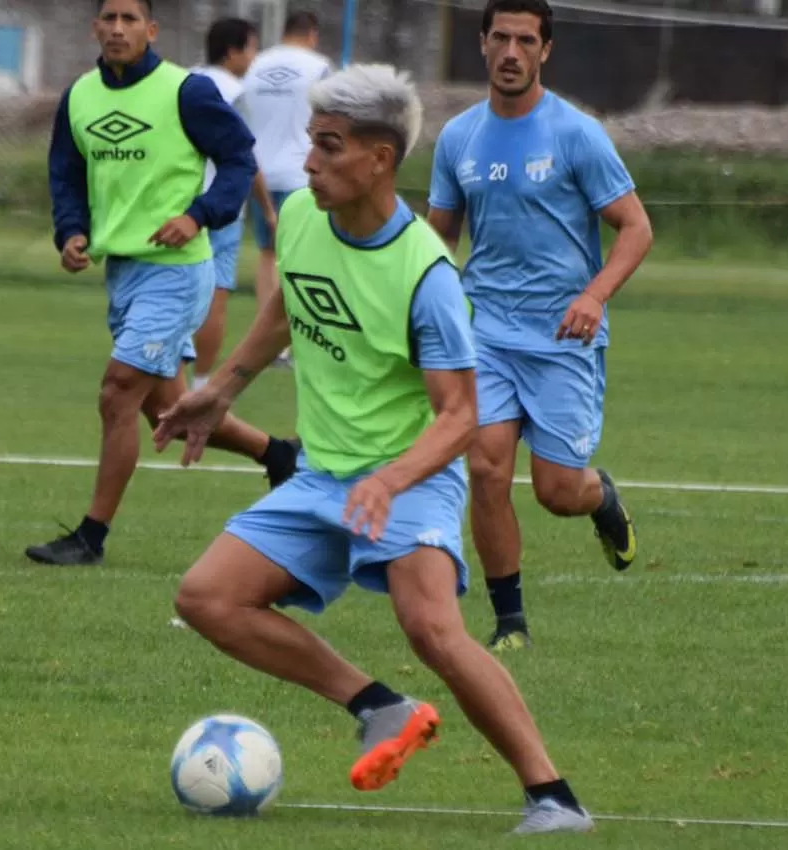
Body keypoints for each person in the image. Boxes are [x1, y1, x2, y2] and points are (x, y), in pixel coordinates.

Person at [158, 63, 594, 836]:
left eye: (328, 147)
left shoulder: (426, 274)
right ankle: (378, 706)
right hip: (324, 474)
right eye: (310, 144)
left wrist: (392, 480)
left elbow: (460, 417)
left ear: (379, 160)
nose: (310, 162)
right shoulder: (299, 218)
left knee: (431, 628)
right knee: (206, 599)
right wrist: (220, 389)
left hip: (412, 477)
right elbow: (291, 307)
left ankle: (553, 795)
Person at [31, 0, 299, 566]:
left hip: (177, 274)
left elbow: (238, 159)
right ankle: (277, 454)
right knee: (167, 414)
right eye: (110, 18)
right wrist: (72, 231)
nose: (119, 28)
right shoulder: (79, 97)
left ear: (151, 30)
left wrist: (198, 215)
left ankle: (90, 537)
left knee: (116, 393)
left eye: (131, 19)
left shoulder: (186, 92)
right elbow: (66, 173)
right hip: (124, 273)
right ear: (95, 28)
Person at [426, 0, 653, 651]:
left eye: (526, 41)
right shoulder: (458, 138)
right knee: (487, 468)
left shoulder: (577, 134)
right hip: (486, 334)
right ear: (482, 43)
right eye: (501, 38)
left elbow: (636, 228)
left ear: (545, 51)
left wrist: (595, 295)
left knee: (557, 491)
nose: (511, 53)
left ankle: (601, 497)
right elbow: (437, 240)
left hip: (562, 339)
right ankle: (510, 624)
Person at [188, 17, 277, 390]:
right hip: (220, 206)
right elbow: (244, 155)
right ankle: (201, 382)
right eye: (252, 49)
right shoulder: (234, 92)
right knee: (215, 294)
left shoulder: (183, 81)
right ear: (233, 51)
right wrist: (267, 208)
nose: (254, 58)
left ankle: (163, 370)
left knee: (175, 287)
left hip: (179, 204)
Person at [238, 9, 331, 365]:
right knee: (306, 256)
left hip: (259, 171)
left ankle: (272, 344)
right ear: (312, 34)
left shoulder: (256, 65)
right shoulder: (319, 67)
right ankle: (303, 337)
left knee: (267, 254)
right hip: (302, 174)